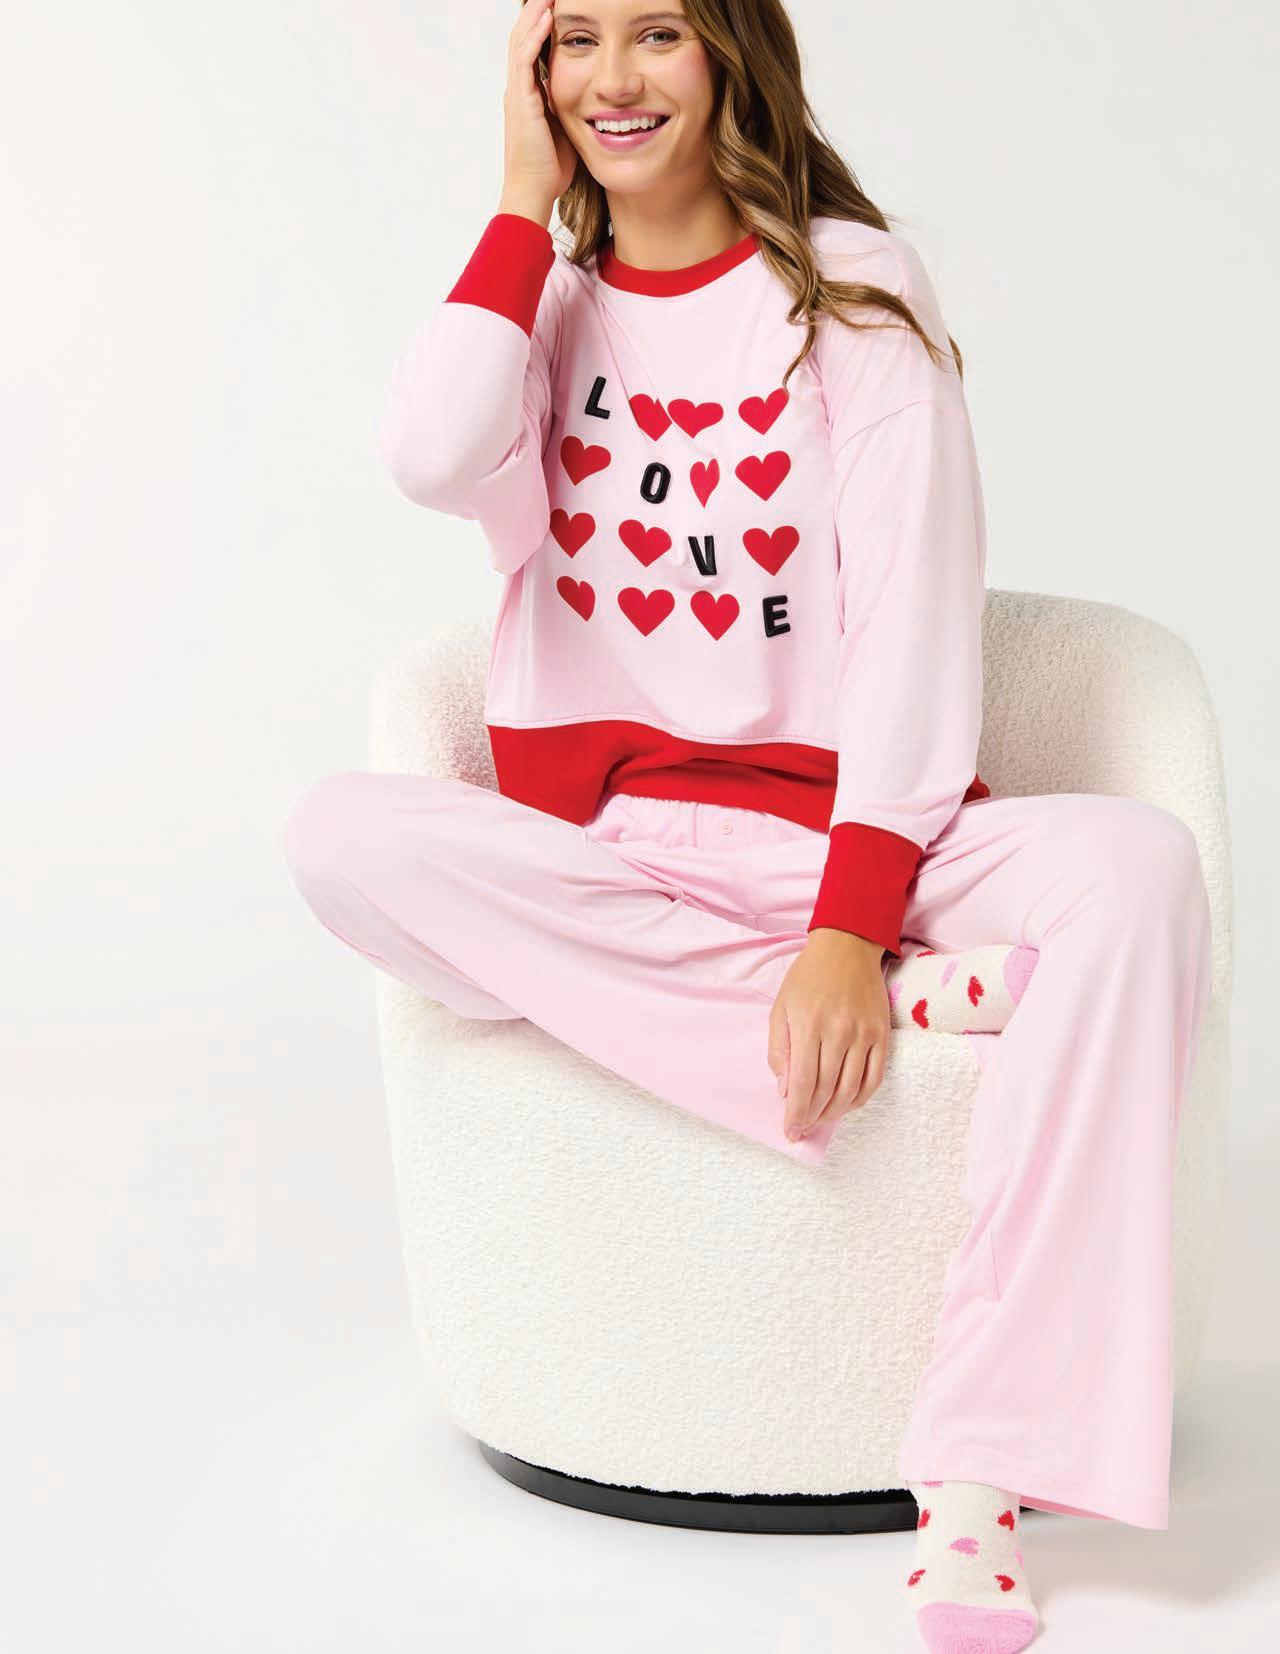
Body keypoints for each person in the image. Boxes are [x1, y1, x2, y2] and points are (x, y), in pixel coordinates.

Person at [282, 3, 1213, 1648]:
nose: (613, 78)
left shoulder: (850, 297)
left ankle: (985, 1464)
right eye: (574, 39)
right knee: (343, 836)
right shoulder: (539, 312)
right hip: (626, 857)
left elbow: (918, 622)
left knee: (1138, 870)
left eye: (659, 33)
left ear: (733, 56)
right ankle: (904, 998)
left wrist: (853, 920)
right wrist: (517, 202)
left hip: (861, 846)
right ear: (533, 76)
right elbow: (430, 453)